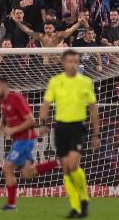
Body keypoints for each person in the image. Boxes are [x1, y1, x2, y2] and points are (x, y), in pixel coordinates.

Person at [39, 50, 100, 218]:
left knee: (73, 165)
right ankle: (75, 206)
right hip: (60, 128)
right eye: (70, 61)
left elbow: (93, 109)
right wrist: (43, 123)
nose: (73, 64)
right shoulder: (55, 81)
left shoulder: (86, 82)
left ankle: (85, 200)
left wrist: (96, 134)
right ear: (63, 63)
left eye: (76, 61)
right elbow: (45, 104)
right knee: (66, 169)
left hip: (77, 127)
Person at [0, 77, 60, 212]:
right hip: (18, 140)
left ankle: (11, 206)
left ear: (5, 85)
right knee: (27, 173)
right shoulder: (1, 100)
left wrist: (13, 130)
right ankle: (58, 163)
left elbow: (31, 121)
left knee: (8, 167)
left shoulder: (16, 98)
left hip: (25, 139)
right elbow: (4, 118)